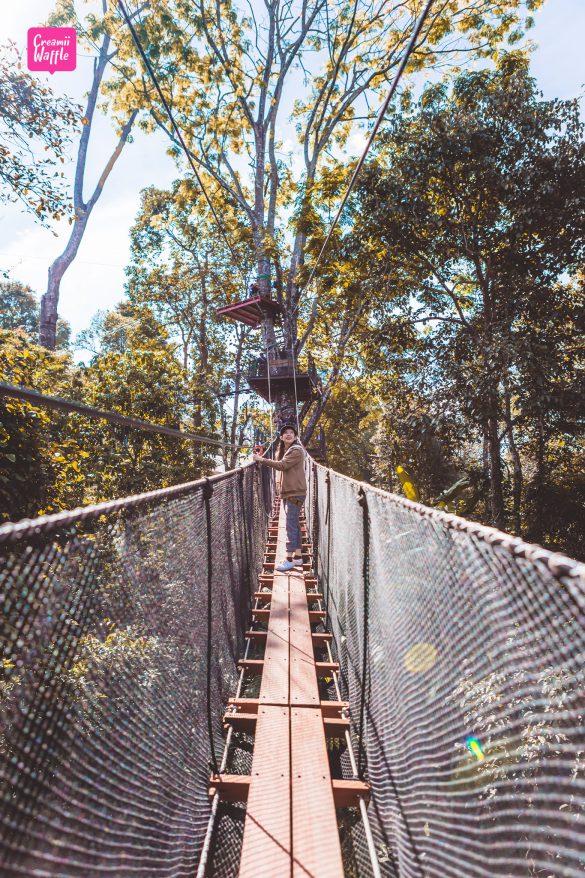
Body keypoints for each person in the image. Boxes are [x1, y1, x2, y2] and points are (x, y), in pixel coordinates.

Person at [253, 423, 306, 571]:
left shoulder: (296, 450)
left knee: (290, 525)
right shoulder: (286, 450)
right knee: (294, 524)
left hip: (295, 493)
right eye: (285, 433)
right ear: (281, 437)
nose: (288, 434)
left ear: (295, 437)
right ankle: (298, 557)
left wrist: (261, 460)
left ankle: (288, 559)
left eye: (291, 433)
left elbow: (282, 465)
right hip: (290, 492)